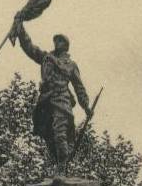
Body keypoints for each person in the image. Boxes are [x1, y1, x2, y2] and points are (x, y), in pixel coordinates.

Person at [14, 18, 91, 177]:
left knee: (60, 133)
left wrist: (86, 106)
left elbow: (79, 87)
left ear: (66, 45)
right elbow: (30, 48)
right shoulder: (46, 58)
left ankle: (62, 167)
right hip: (45, 102)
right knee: (49, 137)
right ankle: (57, 164)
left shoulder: (70, 65)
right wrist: (20, 28)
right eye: (55, 40)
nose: (56, 43)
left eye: (60, 41)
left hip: (62, 101)